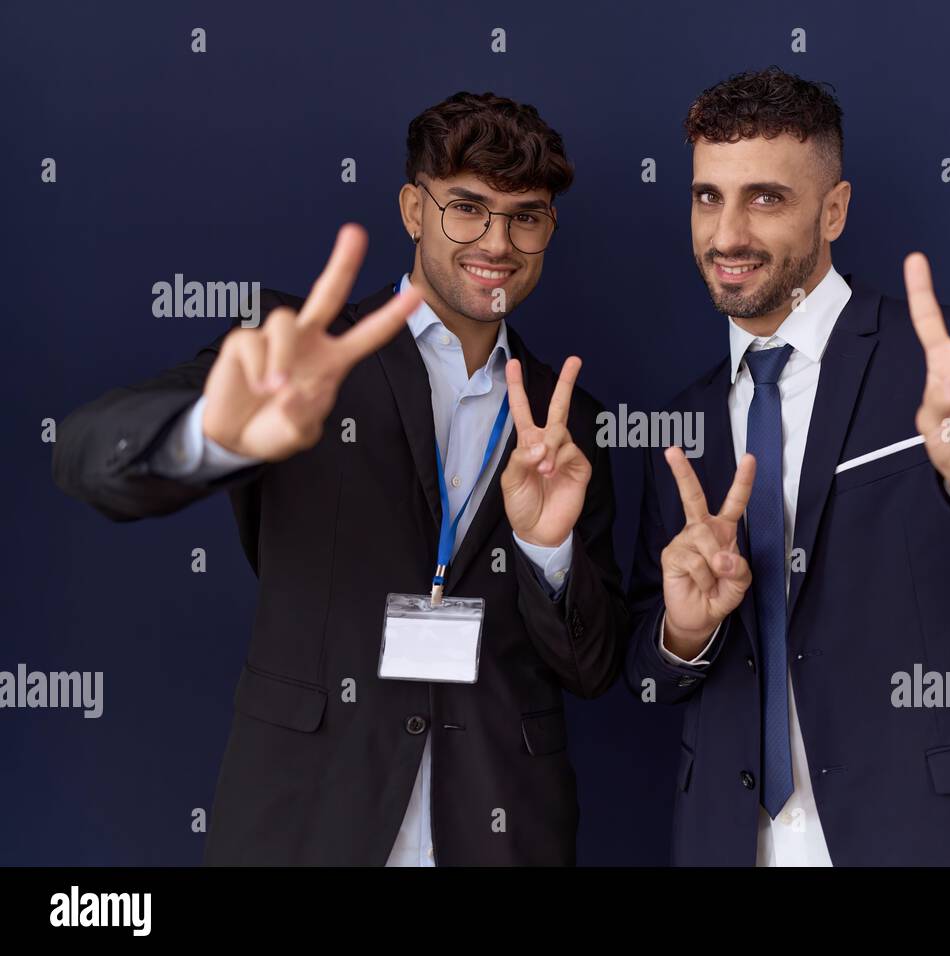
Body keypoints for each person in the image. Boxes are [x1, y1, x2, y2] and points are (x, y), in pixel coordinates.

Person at [53, 91, 628, 866]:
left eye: (526, 215)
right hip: (306, 819)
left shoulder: (572, 419)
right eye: (467, 207)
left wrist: (545, 551)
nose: (498, 240)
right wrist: (212, 437)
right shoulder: (298, 355)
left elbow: (590, 668)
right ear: (412, 208)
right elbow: (88, 456)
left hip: (506, 829)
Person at [625, 67, 950, 866]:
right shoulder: (681, 426)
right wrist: (684, 633)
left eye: (765, 198)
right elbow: (647, 679)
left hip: (942, 842)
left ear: (834, 210)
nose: (726, 234)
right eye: (706, 197)